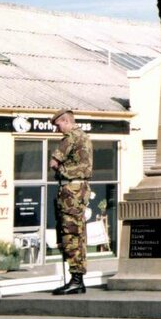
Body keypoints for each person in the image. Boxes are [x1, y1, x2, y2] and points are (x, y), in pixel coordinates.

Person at [49, 108, 93, 296]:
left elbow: (53, 162)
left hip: (70, 191)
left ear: (66, 121)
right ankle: (78, 279)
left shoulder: (71, 138)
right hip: (81, 189)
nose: (58, 129)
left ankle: (75, 281)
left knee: (70, 234)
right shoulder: (84, 136)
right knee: (78, 233)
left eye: (58, 125)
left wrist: (59, 169)